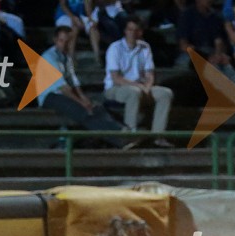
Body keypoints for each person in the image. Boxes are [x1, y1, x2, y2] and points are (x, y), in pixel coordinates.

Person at [39, 26, 137, 149]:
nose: (64, 45)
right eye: (61, 41)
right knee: (84, 112)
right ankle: (120, 138)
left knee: (96, 106)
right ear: (55, 40)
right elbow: (63, 87)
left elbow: (73, 80)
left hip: (63, 93)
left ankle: (122, 131)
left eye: (67, 41)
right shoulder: (49, 57)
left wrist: (84, 98)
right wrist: (82, 102)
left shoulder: (66, 57)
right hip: (50, 96)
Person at [104, 16, 175, 147]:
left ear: (140, 32)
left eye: (135, 30)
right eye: (130, 29)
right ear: (125, 31)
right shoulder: (115, 48)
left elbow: (149, 73)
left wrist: (147, 87)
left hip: (140, 86)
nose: (132, 33)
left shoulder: (145, 47)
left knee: (165, 93)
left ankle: (158, 136)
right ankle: (130, 135)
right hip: (116, 88)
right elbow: (116, 78)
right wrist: (139, 87)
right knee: (134, 92)